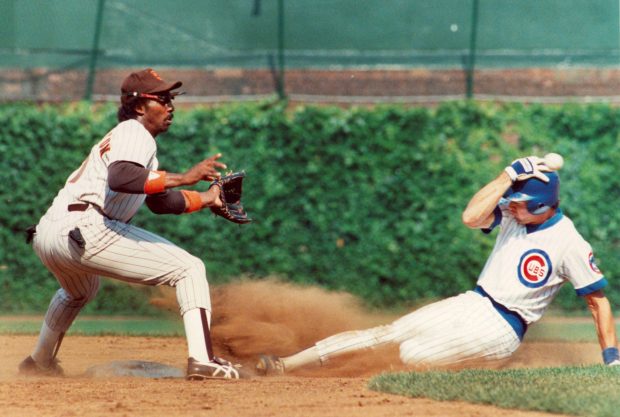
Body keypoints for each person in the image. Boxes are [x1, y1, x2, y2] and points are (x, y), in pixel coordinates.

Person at [256, 156, 620, 374]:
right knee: (388, 333)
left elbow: (598, 302)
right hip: (473, 301)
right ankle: (285, 364)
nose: (510, 205)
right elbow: (470, 216)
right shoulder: (513, 216)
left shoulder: (569, 242)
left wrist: (611, 359)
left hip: (503, 330)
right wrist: (507, 176)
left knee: (413, 355)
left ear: (543, 206)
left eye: (519, 201)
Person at [19, 68, 246, 380]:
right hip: (88, 227)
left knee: (79, 290)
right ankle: (203, 361)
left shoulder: (130, 142)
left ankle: (38, 362)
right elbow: (122, 177)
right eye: (163, 99)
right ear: (140, 107)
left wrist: (208, 198)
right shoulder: (134, 133)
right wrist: (184, 176)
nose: (170, 107)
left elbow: (159, 201)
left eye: (171, 100)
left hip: (50, 234)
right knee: (189, 269)